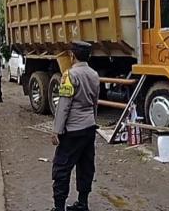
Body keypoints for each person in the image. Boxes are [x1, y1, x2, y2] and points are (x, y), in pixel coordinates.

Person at [51, 41, 99, 211]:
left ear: (72, 55)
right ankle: (83, 203)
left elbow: (64, 105)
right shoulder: (94, 74)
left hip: (72, 130)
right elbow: (95, 103)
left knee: (62, 168)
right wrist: (92, 122)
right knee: (85, 166)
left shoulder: (69, 75)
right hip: (89, 128)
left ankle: (59, 207)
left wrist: (57, 130)